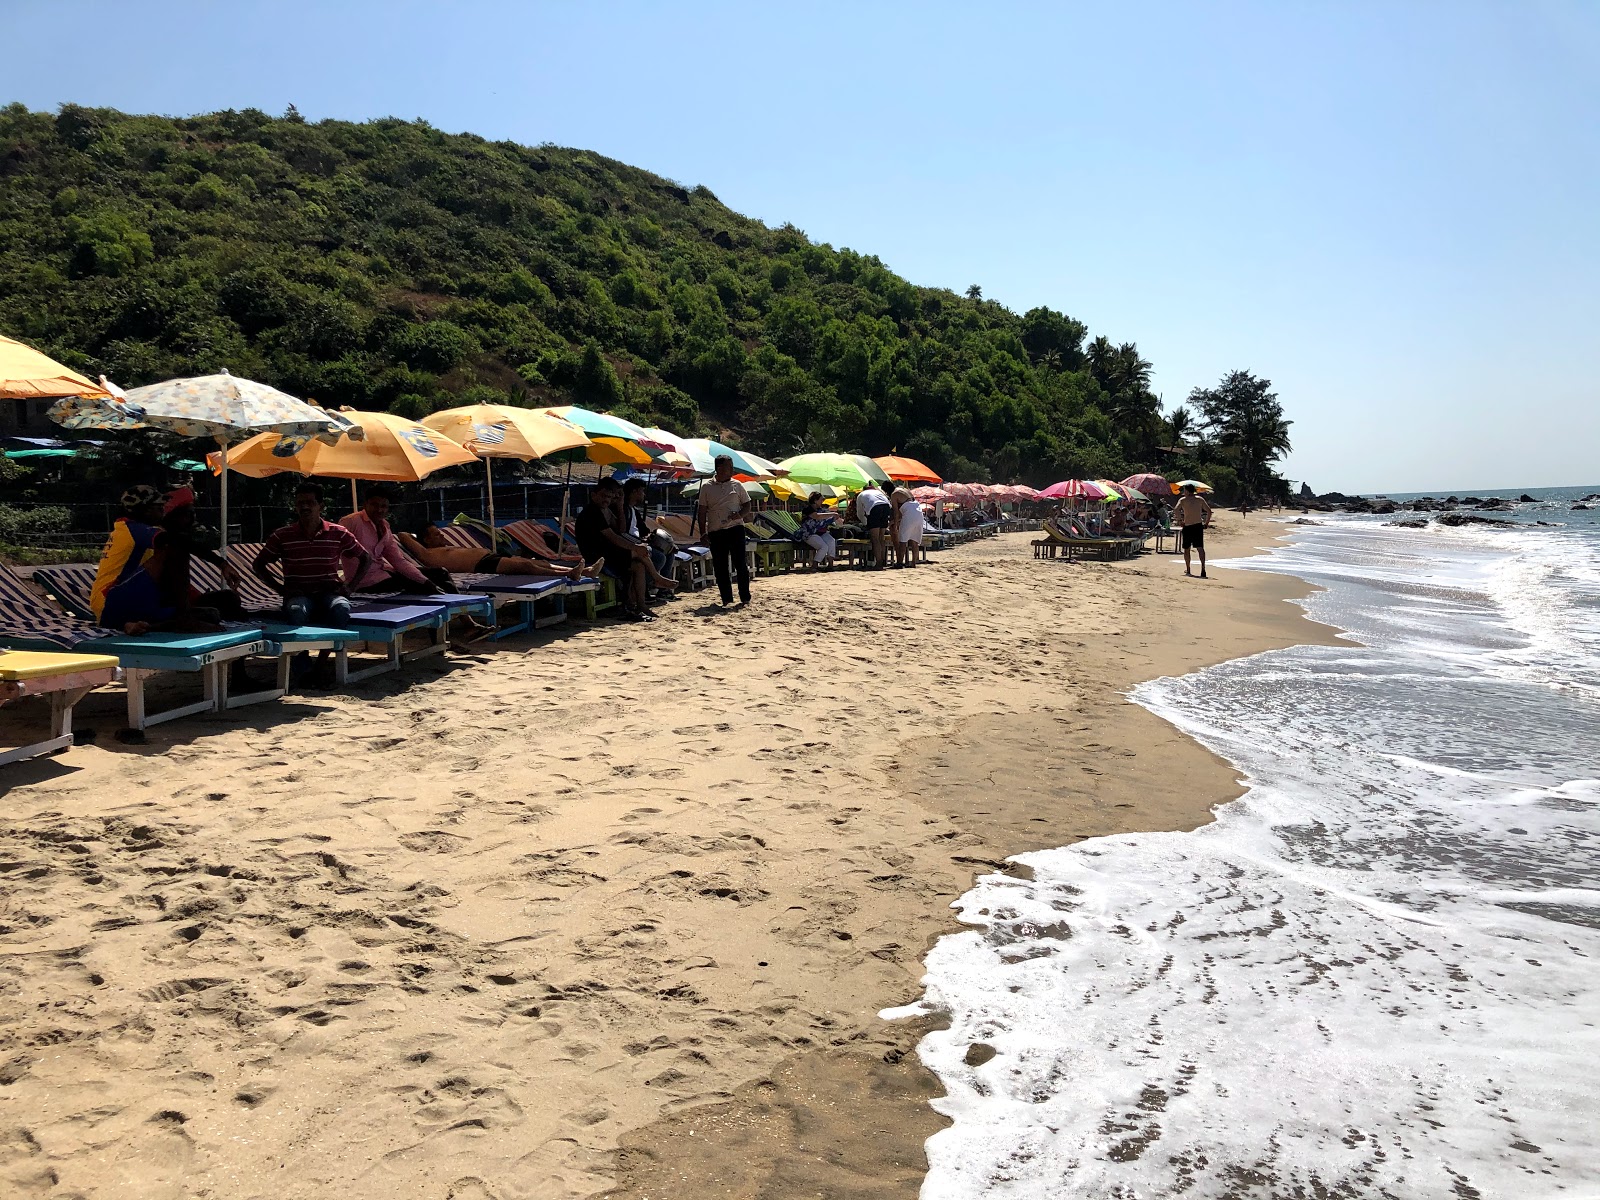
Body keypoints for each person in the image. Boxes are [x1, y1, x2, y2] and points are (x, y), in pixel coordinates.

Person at [90, 484, 245, 634]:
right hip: (111, 601)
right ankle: (184, 620)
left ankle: (144, 625)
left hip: (129, 601)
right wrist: (221, 563)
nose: (163, 512)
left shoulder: (141, 533)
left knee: (217, 609)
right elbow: (177, 543)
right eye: (159, 508)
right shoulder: (131, 529)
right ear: (146, 510)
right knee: (174, 547)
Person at [253, 482, 369, 625]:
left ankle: (331, 646)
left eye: (310, 503)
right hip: (298, 595)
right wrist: (281, 590)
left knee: (341, 608)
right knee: (297, 610)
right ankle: (302, 647)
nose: (305, 507)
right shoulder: (282, 536)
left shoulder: (338, 532)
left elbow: (365, 558)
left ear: (321, 506)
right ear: (295, 506)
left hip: (330, 593)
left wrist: (351, 587)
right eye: (300, 503)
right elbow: (258, 564)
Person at [340, 487, 454, 595]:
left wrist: (426, 581)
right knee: (424, 588)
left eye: (383, 506)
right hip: (364, 582)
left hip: (385, 574)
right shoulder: (350, 522)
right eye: (374, 505)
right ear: (365, 504)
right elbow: (334, 549)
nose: (379, 510)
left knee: (440, 574)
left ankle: (463, 613)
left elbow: (398, 561)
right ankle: (459, 612)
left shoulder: (385, 527)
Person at [576, 477, 656, 620]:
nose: (606, 500)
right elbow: (613, 537)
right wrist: (634, 546)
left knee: (638, 565)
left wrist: (619, 505)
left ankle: (640, 604)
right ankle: (655, 579)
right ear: (593, 495)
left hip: (607, 552)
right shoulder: (592, 512)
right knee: (637, 554)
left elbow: (621, 529)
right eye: (603, 496)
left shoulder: (604, 510)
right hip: (596, 555)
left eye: (609, 496)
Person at [398, 526, 602, 582]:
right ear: (425, 539)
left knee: (538, 562)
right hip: (480, 567)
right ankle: (569, 574)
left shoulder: (442, 547)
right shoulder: (427, 554)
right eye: (435, 534)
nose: (441, 534)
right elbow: (402, 535)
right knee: (526, 567)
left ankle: (584, 572)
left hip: (488, 558)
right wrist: (411, 535)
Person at [696, 456, 752, 606]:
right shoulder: (707, 487)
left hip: (736, 528)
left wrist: (739, 515)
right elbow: (701, 512)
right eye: (729, 466)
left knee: (740, 563)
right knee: (720, 566)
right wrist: (702, 533)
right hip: (716, 530)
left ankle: (745, 597)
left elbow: (747, 505)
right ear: (719, 468)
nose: (732, 470)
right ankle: (726, 598)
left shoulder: (737, 485)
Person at [621, 478, 683, 598]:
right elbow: (622, 533)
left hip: (638, 542)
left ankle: (663, 590)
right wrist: (641, 542)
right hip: (629, 545)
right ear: (634, 492)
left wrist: (655, 539)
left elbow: (644, 531)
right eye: (642, 491)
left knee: (669, 552)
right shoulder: (623, 510)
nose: (644, 494)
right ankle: (644, 589)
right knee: (659, 557)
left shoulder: (633, 510)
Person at [1173, 483, 1213, 578]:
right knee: (1200, 548)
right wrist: (1206, 523)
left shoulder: (1183, 500)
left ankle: (1188, 569)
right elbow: (1209, 511)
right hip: (1198, 526)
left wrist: (1180, 520)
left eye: (1184, 490)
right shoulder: (1199, 499)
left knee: (1187, 549)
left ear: (1187, 491)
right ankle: (1203, 568)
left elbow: (1176, 510)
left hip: (1188, 526)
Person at [854, 482, 892, 568]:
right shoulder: (879, 492)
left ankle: (878, 563)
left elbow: (860, 513)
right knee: (881, 537)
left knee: (875, 538)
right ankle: (883, 561)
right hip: (886, 507)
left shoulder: (861, 495)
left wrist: (866, 523)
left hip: (875, 508)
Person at [795, 497, 836, 566]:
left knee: (831, 541)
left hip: (820, 533)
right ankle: (815, 565)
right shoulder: (808, 509)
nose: (822, 501)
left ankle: (830, 564)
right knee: (823, 547)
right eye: (821, 500)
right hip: (809, 533)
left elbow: (824, 520)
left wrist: (834, 517)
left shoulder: (821, 510)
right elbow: (817, 516)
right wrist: (832, 514)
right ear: (815, 500)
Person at [895, 489, 924, 566]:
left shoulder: (894, 494)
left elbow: (897, 514)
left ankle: (900, 562)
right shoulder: (908, 492)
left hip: (909, 516)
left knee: (903, 541)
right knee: (915, 541)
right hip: (918, 513)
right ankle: (913, 562)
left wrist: (894, 523)